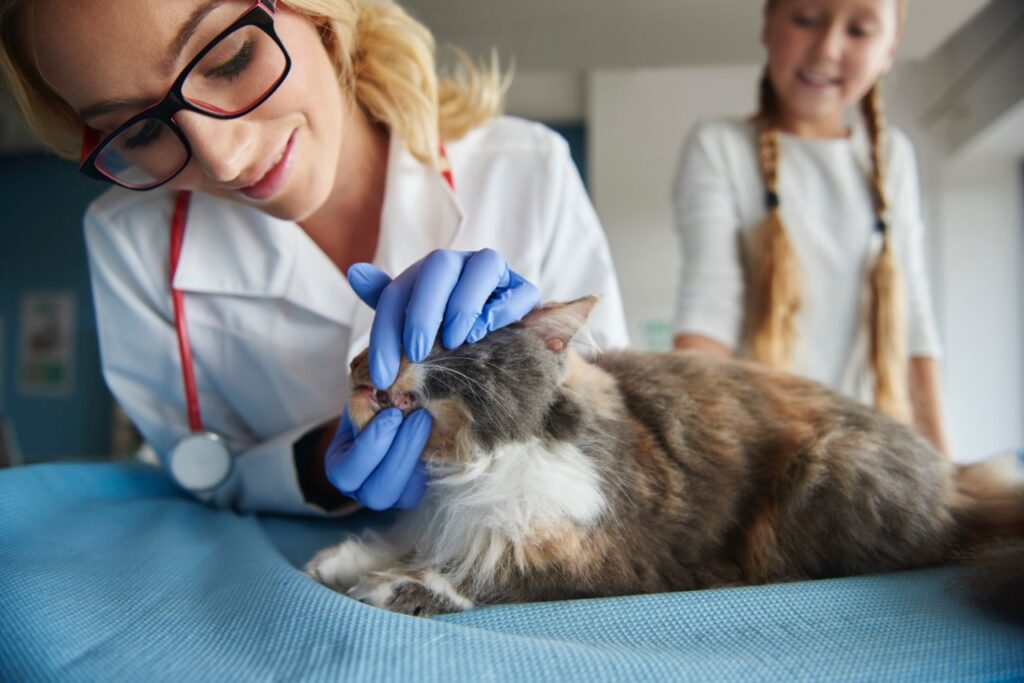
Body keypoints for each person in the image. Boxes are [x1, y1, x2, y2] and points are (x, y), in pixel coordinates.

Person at [0, 0, 629, 514]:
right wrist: (319, 461)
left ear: (318, 13)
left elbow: (614, 433)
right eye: (139, 130)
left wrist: (528, 352)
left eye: (230, 59)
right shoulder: (129, 239)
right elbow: (203, 468)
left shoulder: (527, 168)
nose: (223, 160)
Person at [671, 0, 949, 454]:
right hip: (768, 455)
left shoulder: (893, 156)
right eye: (805, 20)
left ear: (888, 51)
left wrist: (946, 467)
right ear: (768, 25)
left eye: (858, 30)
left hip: (880, 456)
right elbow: (709, 311)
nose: (827, 49)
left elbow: (914, 318)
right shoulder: (719, 146)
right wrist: (696, 454)